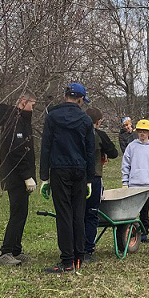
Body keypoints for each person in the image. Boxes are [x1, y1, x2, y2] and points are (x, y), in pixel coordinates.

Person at [40, 82, 95, 273]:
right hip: (79, 170)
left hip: (59, 169)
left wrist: (44, 177)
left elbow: (46, 147)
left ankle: (67, 260)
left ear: (65, 96)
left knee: (64, 214)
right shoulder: (86, 120)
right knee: (78, 213)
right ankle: (79, 256)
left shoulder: (52, 117)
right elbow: (90, 152)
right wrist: (89, 179)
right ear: (80, 99)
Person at [0, 89, 37, 266]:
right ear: (23, 102)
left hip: (20, 177)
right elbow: (17, 151)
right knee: (17, 214)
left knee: (22, 213)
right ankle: (6, 251)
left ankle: (15, 250)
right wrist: (27, 176)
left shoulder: (22, 121)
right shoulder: (14, 122)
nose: (33, 109)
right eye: (32, 105)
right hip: (16, 177)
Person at [84, 107, 119, 262]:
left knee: (77, 214)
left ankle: (74, 248)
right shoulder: (99, 135)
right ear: (98, 122)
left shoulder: (75, 133)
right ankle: (87, 250)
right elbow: (114, 153)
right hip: (94, 178)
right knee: (91, 214)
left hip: (75, 178)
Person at [121, 119, 149, 243]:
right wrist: (125, 182)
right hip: (133, 185)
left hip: (147, 185)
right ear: (137, 132)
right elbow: (125, 164)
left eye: (145, 131)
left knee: (144, 212)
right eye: (140, 131)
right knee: (131, 213)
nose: (142, 134)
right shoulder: (132, 146)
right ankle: (130, 234)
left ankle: (143, 234)